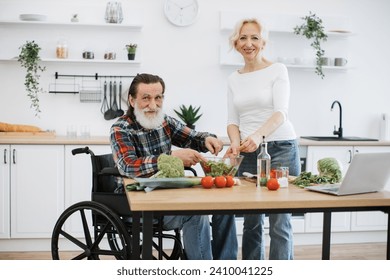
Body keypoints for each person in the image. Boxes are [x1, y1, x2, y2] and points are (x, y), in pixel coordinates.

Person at [110, 73, 237, 260]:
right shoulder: (121, 129)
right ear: (131, 100)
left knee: (224, 208)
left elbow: (192, 136)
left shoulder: (164, 121)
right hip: (140, 203)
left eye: (158, 97)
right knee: (195, 215)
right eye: (146, 98)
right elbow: (129, 166)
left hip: (170, 194)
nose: (153, 105)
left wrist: (208, 139)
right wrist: (170, 157)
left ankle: (225, 266)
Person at [224, 18, 301, 260]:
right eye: (243, 38)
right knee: (251, 222)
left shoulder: (278, 70)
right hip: (248, 153)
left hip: (280, 148)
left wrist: (258, 135)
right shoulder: (233, 78)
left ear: (263, 42)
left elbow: (281, 113)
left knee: (280, 222)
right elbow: (232, 120)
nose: (249, 43)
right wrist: (236, 144)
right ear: (236, 43)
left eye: (254, 37)